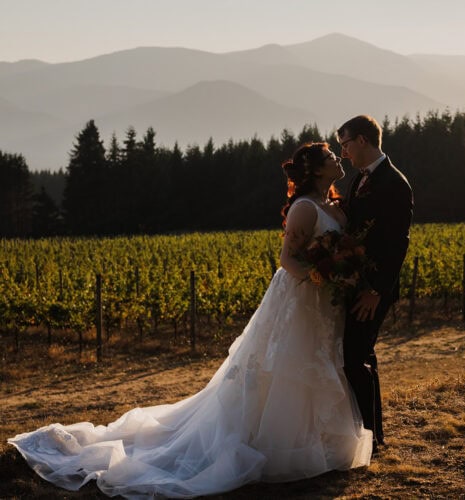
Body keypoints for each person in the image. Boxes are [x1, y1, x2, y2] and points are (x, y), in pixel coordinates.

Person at [8, 142, 373, 499]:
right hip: (300, 299)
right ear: (313, 170)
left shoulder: (336, 207)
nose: (337, 158)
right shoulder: (305, 209)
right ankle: (282, 446)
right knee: (290, 367)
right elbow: (287, 260)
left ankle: (318, 442)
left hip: (325, 304)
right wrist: (321, 276)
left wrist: (342, 271)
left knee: (320, 363)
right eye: (329, 156)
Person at [337, 115, 413, 453]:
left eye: (346, 144)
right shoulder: (358, 181)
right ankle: (374, 436)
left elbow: (398, 244)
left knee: (353, 358)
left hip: (375, 289)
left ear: (364, 140)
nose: (344, 152)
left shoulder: (395, 184)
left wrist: (375, 291)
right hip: (356, 284)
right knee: (363, 354)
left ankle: (368, 437)